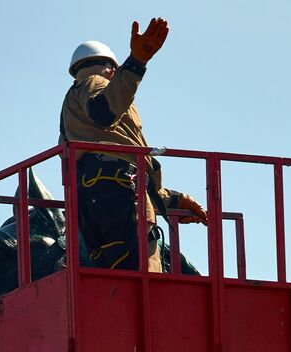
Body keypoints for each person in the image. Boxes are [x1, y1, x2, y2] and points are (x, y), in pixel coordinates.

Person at [60, 20, 207, 272]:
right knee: (140, 278)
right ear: (109, 69)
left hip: (104, 194)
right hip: (117, 196)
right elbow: (103, 112)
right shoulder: (96, 83)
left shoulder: (76, 111)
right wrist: (136, 63)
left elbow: (121, 164)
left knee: (122, 274)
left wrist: (172, 200)